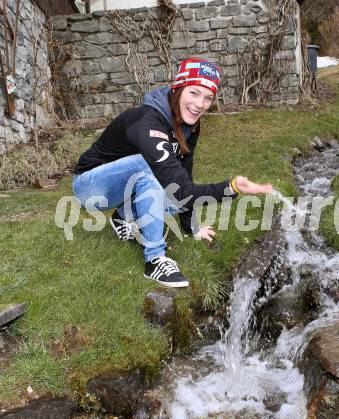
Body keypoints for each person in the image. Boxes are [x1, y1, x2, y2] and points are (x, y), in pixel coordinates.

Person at [72, 57, 272, 288]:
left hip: (125, 187)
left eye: (208, 98)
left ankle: (123, 215)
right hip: (90, 187)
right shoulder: (147, 120)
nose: (200, 104)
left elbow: (184, 178)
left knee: (171, 183)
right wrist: (231, 188)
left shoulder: (189, 124)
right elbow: (181, 189)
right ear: (178, 88)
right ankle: (155, 260)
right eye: (194, 93)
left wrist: (191, 228)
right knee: (150, 167)